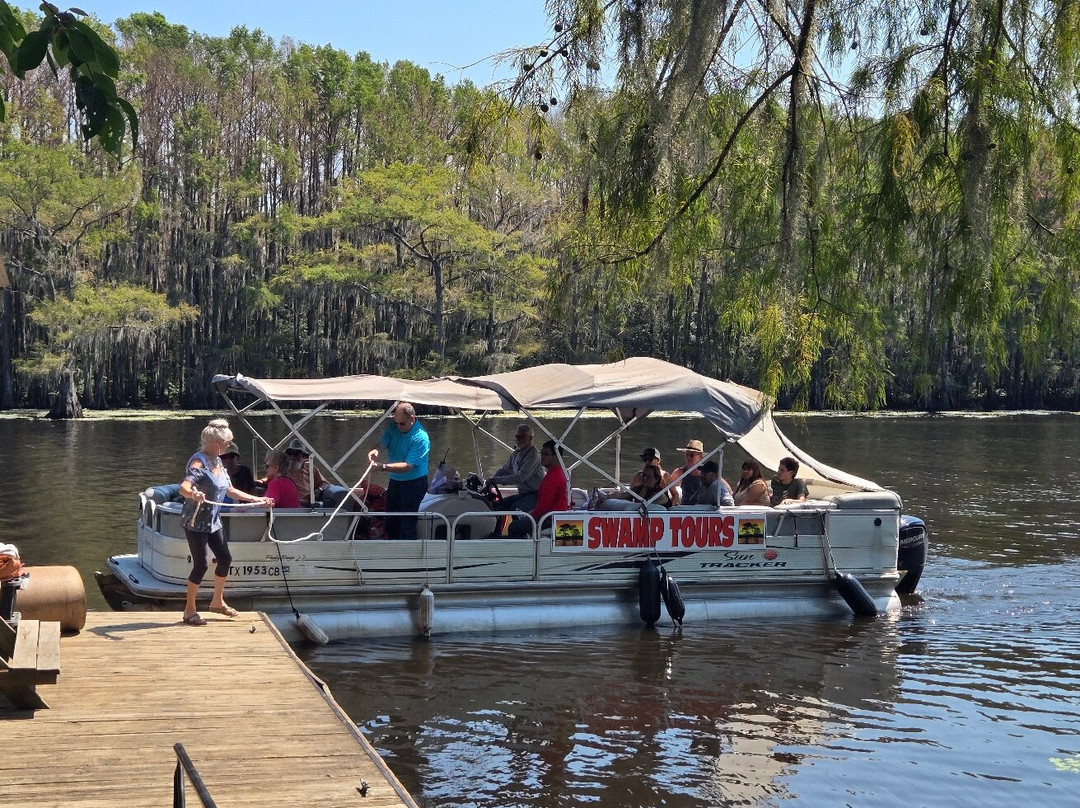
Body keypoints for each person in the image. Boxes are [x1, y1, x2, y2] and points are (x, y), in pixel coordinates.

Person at [178, 418, 272, 626]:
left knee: (225, 558)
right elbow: (184, 488)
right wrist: (193, 494)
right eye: (228, 443)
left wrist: (258, 500)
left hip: (213, 520)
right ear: (217, 443)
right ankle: (189, 610)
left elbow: (230, 490)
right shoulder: (199, 462)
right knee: (201, 564)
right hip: (196, 521)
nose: (229, 447)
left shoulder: (218, 461)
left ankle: (217, 601)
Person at [368, 402, 430, 540]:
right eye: (396, 423)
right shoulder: (394, 428)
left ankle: (409, 557)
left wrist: (382, 467)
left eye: (402, 424)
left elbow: (408, 466)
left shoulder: (421, 438)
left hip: (414, 484)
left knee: (407, 525)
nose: (398, 427)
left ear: (412, 419)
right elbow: (382, 443)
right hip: (395, 482)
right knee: (391, 523)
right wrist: (375, 451)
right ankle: (392, 553)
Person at [509, 440, 569, 537]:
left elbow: (543, 507)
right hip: (554, 516)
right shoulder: (560, 473)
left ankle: (520, 550)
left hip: (550, 519)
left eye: (546, 454)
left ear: (556, 457)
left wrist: (530, 518)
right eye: (542, 453)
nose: (542, 456)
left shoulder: (553, 477)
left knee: (515, 527)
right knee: (520, 516)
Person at [489, 424, 545, 513]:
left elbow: (520, 478)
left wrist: (496, 480)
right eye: (517, 436)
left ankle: (517, 526)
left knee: (516, 509)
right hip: (523, 494)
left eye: (522, 437)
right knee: (498, 505)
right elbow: (504, 470)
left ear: (530, 438)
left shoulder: (533, 455)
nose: (519, 439)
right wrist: (490, 482)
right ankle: (498, 526)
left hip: (536, 494)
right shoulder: (517, 453)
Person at [284, 438, 329, 506]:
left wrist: (319, 490)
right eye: (290, 453)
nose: (292, 456)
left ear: (303, 456)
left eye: (296, 454)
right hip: (285, 504)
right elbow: (269, 479)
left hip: (304, 505)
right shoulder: (281, 467)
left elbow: (325, 483)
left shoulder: (310, 467)